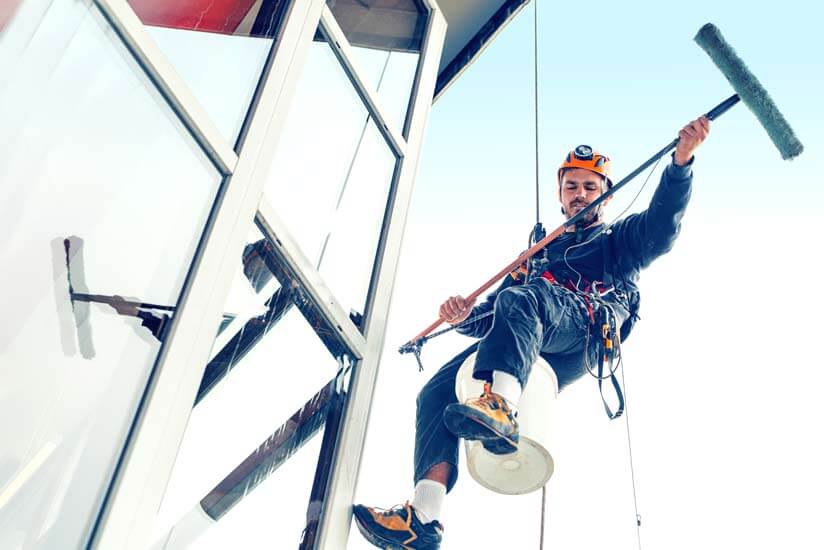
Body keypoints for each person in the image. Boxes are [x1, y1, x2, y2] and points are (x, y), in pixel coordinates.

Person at [353, 117, 710, 549]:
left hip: (582, 334)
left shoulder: (619, 239)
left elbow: (662, 227)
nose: (580, 194)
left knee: (525, 297)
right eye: (571, 186)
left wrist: (680, 164)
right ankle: (424, 518)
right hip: (528, 338)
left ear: (606, 193)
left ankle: (501, 406)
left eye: (590, 187)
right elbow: (495, 320)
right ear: (560, 194)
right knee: (437, 391)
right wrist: (463, 317)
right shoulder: (534, 258)